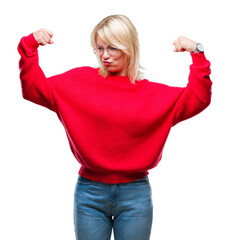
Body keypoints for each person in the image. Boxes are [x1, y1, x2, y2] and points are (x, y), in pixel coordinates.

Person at [18, 14, 212, 240]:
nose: (104, 56)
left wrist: (197, 52)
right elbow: (32, 88)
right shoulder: (78, 82)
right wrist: (29, 44)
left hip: (135, 194)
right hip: (90, 192)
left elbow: (199, 98)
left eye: (112, 48)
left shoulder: (154, 95)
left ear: (129, 47)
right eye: (98, 48)